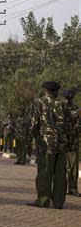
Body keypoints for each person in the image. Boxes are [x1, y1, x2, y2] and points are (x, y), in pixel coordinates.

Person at [27, 81, 70, 209]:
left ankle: (43, 200)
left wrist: (30, 143)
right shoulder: (63, 105)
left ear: (45, 90)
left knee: (45, 173)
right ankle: (58, 202)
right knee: (60, 174)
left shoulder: (38, 103)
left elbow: (33, 125)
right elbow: (68, 126)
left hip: (46, 144)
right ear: (55, 91)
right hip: (61, 144)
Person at [62, 88, 80, 197]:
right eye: (68, 98)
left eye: (71, 98)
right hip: (61, 143)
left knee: (73, 168)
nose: (69, 100)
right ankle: (60, 188)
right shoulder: (59, 108)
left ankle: (72, 188)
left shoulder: (76, 109)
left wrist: (76, 128)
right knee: (61, 167)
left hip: (73, 142)